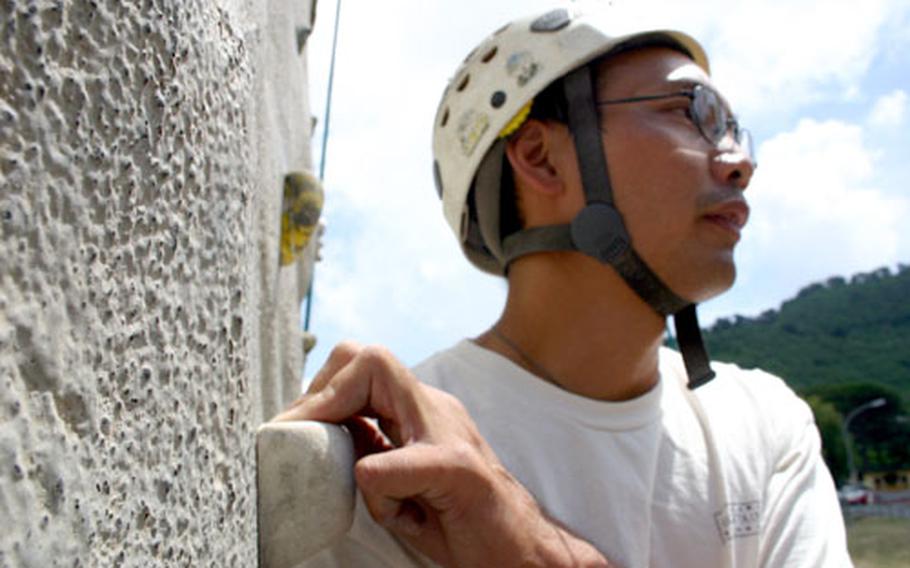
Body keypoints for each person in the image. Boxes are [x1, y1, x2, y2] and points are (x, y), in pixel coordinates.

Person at [275, 7, 851, 567]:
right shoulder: (388, 467)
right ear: (540, 158)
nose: (738, 162)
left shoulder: (765, 426)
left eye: (731, 129)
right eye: (690, 111)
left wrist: (525, 544)